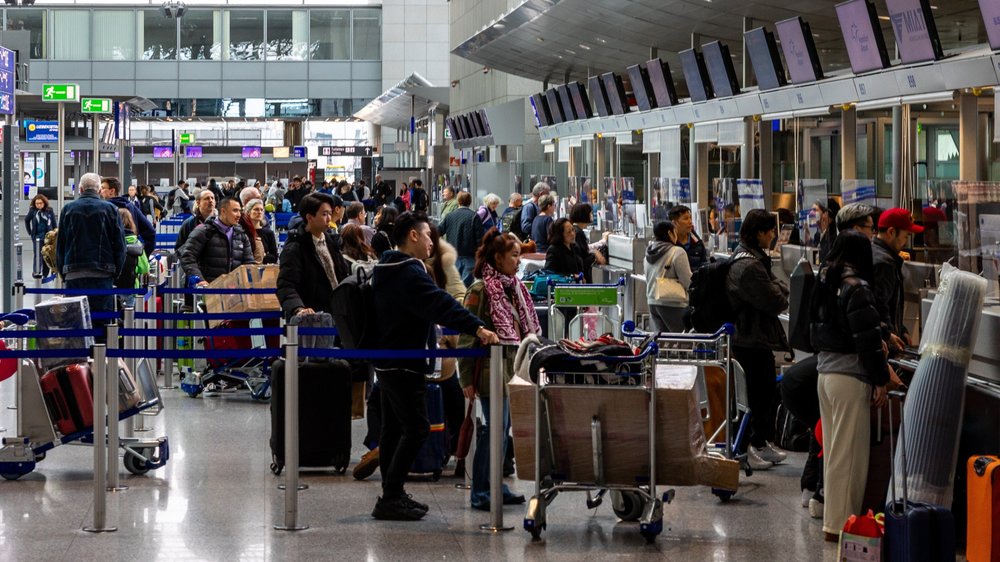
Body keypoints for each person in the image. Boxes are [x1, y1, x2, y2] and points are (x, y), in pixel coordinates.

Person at [370, 212, 499, 521]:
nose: (432, 242)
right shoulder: (409, 271)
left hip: (387, 360)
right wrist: (477, 327)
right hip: (404, 361)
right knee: (417, 429)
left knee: (392, 430)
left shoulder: (386, 266)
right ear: (413, 236)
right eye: (428, 235)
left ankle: (392, 493)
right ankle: (390, 496)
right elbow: (440, 303)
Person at [809, 230, 890, 542]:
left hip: (825, 375)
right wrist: (880, 379)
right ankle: (844, 527)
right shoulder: (856, 286)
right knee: (850, 458)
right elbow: (867, 343)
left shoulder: (825, 281)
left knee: (834, 455)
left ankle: (834, 523)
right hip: (849, 379)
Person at [459, 229, 539, 510]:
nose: (519, 261)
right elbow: (467, 335)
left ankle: (495, 484)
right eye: (514, 255)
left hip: (509, 369)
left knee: (503, 429)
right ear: (498, 257)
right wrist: (466, 377)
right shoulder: (481, 289)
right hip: (489, 371)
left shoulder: (513, 287)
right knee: (492, 430)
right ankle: (481, 490)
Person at [725, 209, 790, 470]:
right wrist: (780, 288)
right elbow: (777, 299)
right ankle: (743, 449)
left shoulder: (752, 258)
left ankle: (759, 442)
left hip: (753, 337)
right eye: (771, 230)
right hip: (748, 340)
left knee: (764, 393)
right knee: (752, 396)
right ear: (760, 233)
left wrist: (778, 287)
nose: (774, 235)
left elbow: (777, 288)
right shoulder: (749, 266)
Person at [55, 173, 126, 336]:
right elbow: (120, 246)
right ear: (100, 189)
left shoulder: (68, 209)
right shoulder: (111, 209)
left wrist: (64, 272)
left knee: (75, 324)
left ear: (80, 189)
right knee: (102, 324)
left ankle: (80, 360)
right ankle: (101, 360)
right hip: (102, 275)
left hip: (74, 275)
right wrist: (115, 272)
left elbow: (60, 246)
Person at [276, 193, 350, 319]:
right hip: (314, 319)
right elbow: (286, 284)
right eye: (324, 214)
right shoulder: (295, 248)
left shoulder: (331, 242)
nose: (329, 219)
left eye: (330, 214)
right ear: (309, 217)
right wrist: (298, 308)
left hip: (338, 314)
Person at [872, 208, 921, 351]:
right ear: (891, 232)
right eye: (906, 236)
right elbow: (880, 307)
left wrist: (901, 329)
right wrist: (890, 335)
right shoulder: (884, 263)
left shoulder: (873, 251)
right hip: (883, 345)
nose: (906, 242)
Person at [179, 197, 255, 285]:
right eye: (235, 211)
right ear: (223, 211)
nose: (239, 215)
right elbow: (187, 256)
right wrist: (200, 279)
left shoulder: (241, 235)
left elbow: (248, 262)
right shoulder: (204, 231)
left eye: (239, 211)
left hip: (234, 291)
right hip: (209, 290)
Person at [644, 220, 692, 333]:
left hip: (652, 302)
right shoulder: (677, 252)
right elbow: (688, 281)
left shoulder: (648, 253)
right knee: (681, 342)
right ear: (670, 233)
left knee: (663, 342)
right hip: (673, 303)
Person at [437, 191, 483, 286]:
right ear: (470, 202)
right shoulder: (474, 216)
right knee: (466, 287)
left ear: (458, 201)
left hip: (453, 256)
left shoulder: (449, 216)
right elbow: (480, 240)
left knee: (454, 286)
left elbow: (438, 231)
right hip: (470, 258)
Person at [101, 177, 156, 256]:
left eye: (102, 188)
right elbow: (151, 232)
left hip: (108, 259)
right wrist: (142, 255)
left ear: (112, 191)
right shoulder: (131, 207)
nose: (99, 191)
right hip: (130, 258)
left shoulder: (102, 208)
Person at [114, 208, 150, 309]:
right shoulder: (136, 243)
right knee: (130, 317)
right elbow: (144, 268)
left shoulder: (110, 243)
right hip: (130, 287)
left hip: (112, 288)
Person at [568, 203, 607, 283]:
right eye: (590, 213)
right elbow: (583, 256)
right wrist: (595, 255)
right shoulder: (578, 233)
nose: (592, 215)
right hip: (582, 275)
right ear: (584, 215)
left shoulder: (576, 231)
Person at [24, 194, 56, 278]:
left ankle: (45, 273)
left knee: (47, 255)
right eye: (37, 203)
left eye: (40, 203)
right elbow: (26, 220)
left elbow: (54, 223)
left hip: (48, 237)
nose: (38, 205)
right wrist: (30, 233)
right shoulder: (32, 211)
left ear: (44, 203)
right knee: (37, 255)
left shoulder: (49, 210)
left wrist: (55, 235)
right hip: (37, 237)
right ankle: (36, 272)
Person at [668, 205, 709, 270]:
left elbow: (705, 265)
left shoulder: (698, 243)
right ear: (674, 223)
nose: (690, 222)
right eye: (686, 219)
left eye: (690, 218)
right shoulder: (668, 245)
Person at [245, 199, 278, 264]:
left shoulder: (268, 233)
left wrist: (263, 256)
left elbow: (274, 256)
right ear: (248, 212)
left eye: (261, 210)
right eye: (256, 209)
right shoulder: (243, 232)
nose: (259, 212)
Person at [812, 199, 840, 264]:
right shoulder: (818, 235)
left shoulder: (835, 236)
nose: (812, 213)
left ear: (827, 214)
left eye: (815, 210)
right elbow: (816, 261)